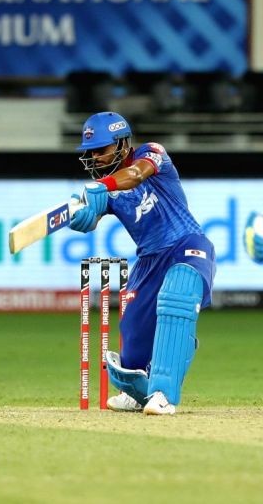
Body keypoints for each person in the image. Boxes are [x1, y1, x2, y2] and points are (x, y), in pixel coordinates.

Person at [69, 111, 216, 415]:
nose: (94, 158)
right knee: (134, 336)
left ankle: (163, 393)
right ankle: (138, 393)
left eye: (101, 150)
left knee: (176, 298)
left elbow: (135, 175)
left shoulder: (152, 153)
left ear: (122, 144)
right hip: (149, 261)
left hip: (186, 245)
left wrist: (103, 187)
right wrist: (81, 214)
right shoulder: (108, 191)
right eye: (90, 153)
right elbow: (91, 219)